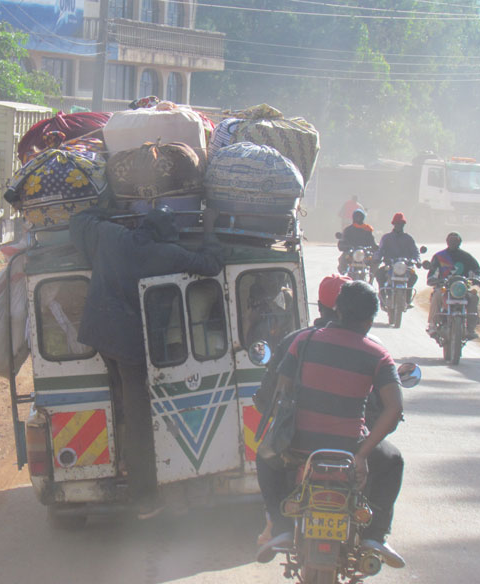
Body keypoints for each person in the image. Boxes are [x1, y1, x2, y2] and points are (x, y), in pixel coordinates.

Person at [69, 206, 224, 518]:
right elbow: (211, 265)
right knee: (139, 420)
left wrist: (112, 213)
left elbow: (79, 220)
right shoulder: (167, 254)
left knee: (123, 398)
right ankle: (144, 499)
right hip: (130, 345)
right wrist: (209, 229)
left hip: (99, 334)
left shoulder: (111, 236)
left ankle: (124, 453)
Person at [256, 281, 405, 569]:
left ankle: (281, 527)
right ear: (370, 319)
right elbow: (394, 408)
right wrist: (361, 455)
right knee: (394, 461)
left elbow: (282, 390)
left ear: (337, 310)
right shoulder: (378, 354)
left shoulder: (303, 341)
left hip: (299, 446)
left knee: (264, 457)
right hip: (350, 449)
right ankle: (375, 536)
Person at [426, 232, 480, 340]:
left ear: (460, 242)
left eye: (455, 241)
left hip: (462, 289)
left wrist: (478, 279)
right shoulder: (439, 256)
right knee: (437, 295)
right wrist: (433, 280)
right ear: (447, 242)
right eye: (451, 241)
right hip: (445, 288)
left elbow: (477, 270)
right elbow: (432, 273)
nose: (453, 243)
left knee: (474, 297)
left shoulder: (467, 257)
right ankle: (432, 325)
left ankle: (470, 329)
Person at [374, 212, 421, 305]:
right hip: (390, 266)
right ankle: (383, 296)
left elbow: (415, 251)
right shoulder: (386, 237)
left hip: (405, 267)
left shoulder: (408, 238)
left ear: (404, 225)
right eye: (397, 223)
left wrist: (417, 261)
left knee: (413, 276)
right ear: (394, 224)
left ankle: (408, 297)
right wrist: (377, 258)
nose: (399, 225)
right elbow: (380, 250)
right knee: (379, 274)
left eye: (401, 224)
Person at [337, 209, 377, 275]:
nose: (358, 218)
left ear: (363, 218)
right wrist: (344, 246)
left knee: (375, 260)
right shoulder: (348, 230)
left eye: (360, 217)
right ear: (353, 218)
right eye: (357, 217)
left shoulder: (367, 229)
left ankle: (372, 275)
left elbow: (372, 242)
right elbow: (343, 241)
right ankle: (343, 273)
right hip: (351, 253)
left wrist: (376, 248)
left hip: (365, 253)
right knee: (342, 258)